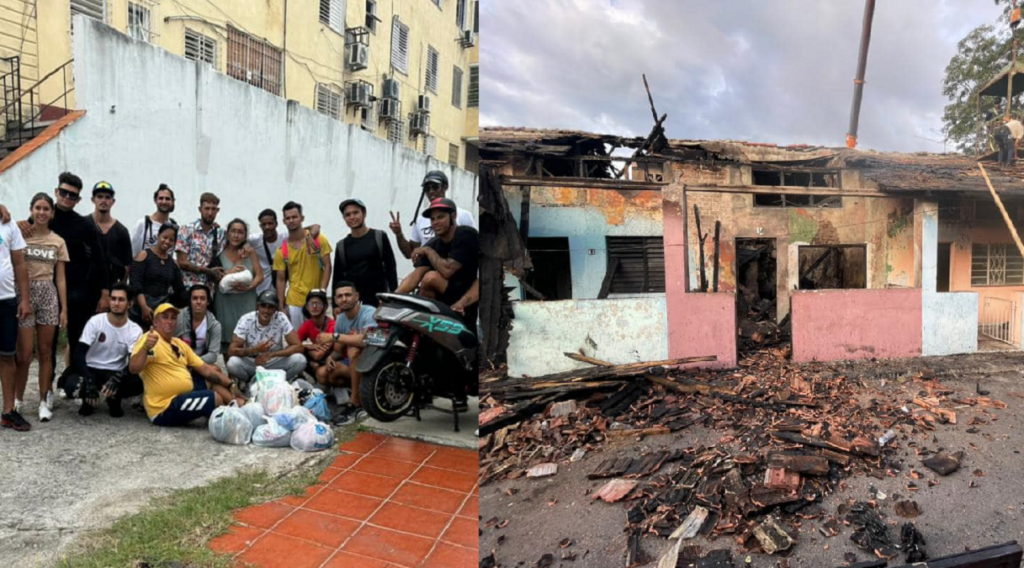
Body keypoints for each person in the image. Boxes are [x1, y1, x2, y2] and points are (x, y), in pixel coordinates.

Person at [11, 172, 110, 392]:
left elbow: (100, 258)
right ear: (57, 192)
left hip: (76, 292)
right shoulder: (40, 218)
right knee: (47, 345)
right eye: (63, 192)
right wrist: (16, 224)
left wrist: (105, 292)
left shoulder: (84, 225)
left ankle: (74, 383)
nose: (67, 197)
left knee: (77, 341)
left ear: (78, 199)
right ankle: (47, 391)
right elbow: (13, 237)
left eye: (72, 195)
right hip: (43, 291)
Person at [128, 303, 240, 427]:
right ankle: (230, 418)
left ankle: (238, 405)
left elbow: (206, 370)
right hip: (164, 407)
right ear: (155, 322)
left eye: (173, 318)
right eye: (165, 317)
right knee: (214, 398)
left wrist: (231, 384)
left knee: (213, 371)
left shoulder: (178, 343)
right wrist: (145, 347)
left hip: (182, 394)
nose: (170, 321)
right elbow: (133, 368)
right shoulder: (149, 339)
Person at [14, 193, 69, 421]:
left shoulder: (58, 241)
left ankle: (44, 400)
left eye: (46, 209)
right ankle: (17, 399)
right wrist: (14, 224)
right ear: (31, 209)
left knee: (46, 352)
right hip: (24, 294)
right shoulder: (19, 235)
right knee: (25, 354)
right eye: (38, 208)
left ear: (52, 213)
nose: (42, 212)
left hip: (48, 293)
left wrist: (64, 308)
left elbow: (61, 279)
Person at [396, 198, 481, 324]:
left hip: (467, 301)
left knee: (430, 277)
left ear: (453, 216)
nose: (435, 222)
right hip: (443, 303)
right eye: (432, 219)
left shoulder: (466, 234)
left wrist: (428, 251)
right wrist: (393, 296)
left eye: (440, 217)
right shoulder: (434, 243)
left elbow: (447, 270)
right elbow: (415, 275)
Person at [75, 283, 145, 417]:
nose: (116, 303)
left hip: (115, 370)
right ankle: (88, 397)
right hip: (92, 368)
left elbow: (133, 362)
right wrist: (89, 379)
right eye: (113, 299)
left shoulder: (135, 330)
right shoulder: (95, 321)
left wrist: (118, 377)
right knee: (72, 388)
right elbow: (79, 354)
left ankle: (113, 397)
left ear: (130, 304)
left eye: (121, 300)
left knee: (138, 383)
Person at [320, 282, 376, 425]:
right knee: (324, 373)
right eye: (340, 296)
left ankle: (356, 403)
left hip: (374, 363)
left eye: (348, 295)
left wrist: (334, 336)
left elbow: (366, 339)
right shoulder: (341, 319)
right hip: (354, 366)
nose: (344, 299)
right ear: (336, 300)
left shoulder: (369, 312)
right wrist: (329, 358)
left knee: (353, 350)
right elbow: (338, 350)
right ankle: (360, 391)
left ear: (356, 296)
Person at [225, 290, 307, 387]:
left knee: (300, 360)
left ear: (275, 309)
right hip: (253, 362)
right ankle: (251, 382)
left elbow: (298, 346)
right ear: (257, 306)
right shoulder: (246, 319)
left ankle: (279, 382)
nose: (266, 311)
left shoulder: (280, 317)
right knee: (232, 363)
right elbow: (231, 351)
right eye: (263, 306)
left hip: (274, 361)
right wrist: (254, 350)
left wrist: (271, 354)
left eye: (270, 307)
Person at [389, 170, 476, 259]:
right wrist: (399, 234)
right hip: (426, 269)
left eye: (435, 187)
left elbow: (473, 248)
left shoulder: (463, 215)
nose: (430, 191)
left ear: (445, 187)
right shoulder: (420, 219)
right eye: (427, 188)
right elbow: (410, 253)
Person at [273, 202, 332, 329]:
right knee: (298, 340)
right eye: (288, 218)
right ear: (284, 221)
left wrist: (322, 291)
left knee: (320, 340)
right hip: (294, 301)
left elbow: (327, 266)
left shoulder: (318, 239)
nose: (291, 220)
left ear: (302, 218)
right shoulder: (281, 250)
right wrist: (281, 306)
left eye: (294, 217)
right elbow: (281, 279)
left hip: (317, 299)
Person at [332, 199, 397, 307]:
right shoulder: (341, 246)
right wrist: (336, 306)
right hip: (353, 305)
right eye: (348, 215)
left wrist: (393, 297)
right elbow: (337, 278)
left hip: (379, 301)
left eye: (355, 212)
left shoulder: (379, 237)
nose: (352, 217)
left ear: (364, 213)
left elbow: (391, 268)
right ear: (344, 219)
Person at [214, 219, 263, 358]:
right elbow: (214, 276)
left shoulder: (250, 251)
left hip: (246, 301)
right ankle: (231, 376)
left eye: (240, 232)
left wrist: (249, 287)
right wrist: (229, 273)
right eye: (233, 231)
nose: (236, 235)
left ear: (245, 235)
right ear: (227, 233)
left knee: (248, 338)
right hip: (225, 303)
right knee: (227, 341)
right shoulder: (219, 250)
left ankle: (247, 376)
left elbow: (260, 275)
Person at [1, 215, 32, 431]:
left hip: (6, 299)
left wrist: (25, 299)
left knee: (6, 356)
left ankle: (8, 411)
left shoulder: (7, 223)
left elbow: (19, 263)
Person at [129, 223, 186, 326]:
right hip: (141, 307)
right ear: (158, 235)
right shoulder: (144, 255)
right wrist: (144, 307)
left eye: (171, 240)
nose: (167, 242)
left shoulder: (173, 264)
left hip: (161, 311)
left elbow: (180, 290)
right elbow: (136, 284)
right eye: (165, 237)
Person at [87, 181, 133, 287]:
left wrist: (121, 289)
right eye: (99, 196)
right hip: (86, 288)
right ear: (93, 200)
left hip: (112, 289)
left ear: (113, 201)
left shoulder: (121, 231)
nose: (104, 200)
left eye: (107, 197)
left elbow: (127, 265)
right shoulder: (84, 225)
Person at [176, 192, 225, 291]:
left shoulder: (221, 234)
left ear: (217, 210)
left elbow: (237, 240)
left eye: (213, 209)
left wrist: (245, 246)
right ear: (200, 209)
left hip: (209, 291)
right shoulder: (186, 230)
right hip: (187, 288)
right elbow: (182, 262)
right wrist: (208, 271)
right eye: (207, 208)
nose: (210, 213)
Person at [174, 284, 223, 365]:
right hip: (177, 361)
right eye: (195, 298)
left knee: (216, 370)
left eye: (202, 298)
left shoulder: (214, 325)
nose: (198, 302)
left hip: (199, 362)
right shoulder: (178, 317)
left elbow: (213, 355)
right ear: (190, 301)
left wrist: (192, 362)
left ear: (208, 302)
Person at [296, 289, 335, 379]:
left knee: (315, 363)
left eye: (318, 304)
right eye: (311, 304)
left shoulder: (332, 325)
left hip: (332, 359)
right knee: (296, 354)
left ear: (325, 307)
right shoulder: (307, 325)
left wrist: (304, 347)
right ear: (306, 307)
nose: (314, 306)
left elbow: (318, 355)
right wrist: (307, 346)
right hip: (318, 358)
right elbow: (293, 345)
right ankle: (300, 377)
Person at [131, 184, 177, 256]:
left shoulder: (174, 226)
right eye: (161, 198)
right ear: (155, 200)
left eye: (167, 199)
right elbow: (133, 254)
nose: (164, 202)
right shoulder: (143, 224)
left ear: (173, 201)